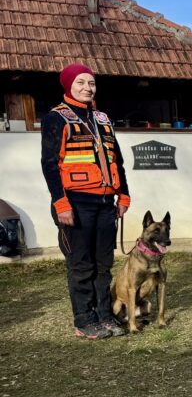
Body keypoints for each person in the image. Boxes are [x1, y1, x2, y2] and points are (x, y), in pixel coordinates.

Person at [41, 63, 130, 339]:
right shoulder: (56, 118)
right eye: (80, 83)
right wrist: (61, 203)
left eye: (91, 83)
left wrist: (123, 195)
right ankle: (84, 319)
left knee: (103, 264)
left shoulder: (103, 119)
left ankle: (104, 315)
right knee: (81, 264)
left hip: (105, 203)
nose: (87, 88)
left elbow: (117, 161)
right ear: (68, 85)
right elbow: (49, 165)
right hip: (75, 203)